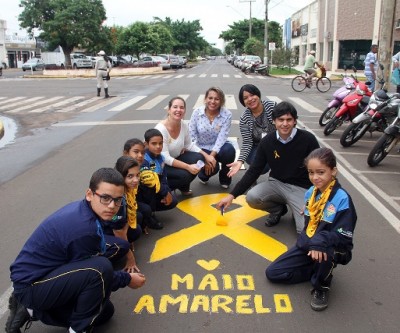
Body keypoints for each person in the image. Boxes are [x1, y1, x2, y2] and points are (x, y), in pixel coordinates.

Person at [6, 168, 145, 333]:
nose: (112, 206)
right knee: (100, 269)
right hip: (32, 285)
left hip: (49, 273)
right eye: (105, 198)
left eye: (117, 200)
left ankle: (31, 310)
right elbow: (96, 273)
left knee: (105, 311)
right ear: (89, 194)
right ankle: (77, 329)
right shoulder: (83, 230)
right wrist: (127, 279)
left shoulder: (85, 210)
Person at [266, 147, 357, 311]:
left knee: (325, 252)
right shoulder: (311, 193)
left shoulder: (342, 198)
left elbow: (344, 236)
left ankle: (322, 285)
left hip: (333, 247)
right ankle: (315, 270)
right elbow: (311, 222)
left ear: (333, 171)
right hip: (310, 243)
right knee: (273, 273)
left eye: (321, 172)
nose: (315, 177)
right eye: (311, 172)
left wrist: (319, 242)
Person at [216, 101, 320, 234]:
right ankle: (278, 210)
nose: (285, 124)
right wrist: (232, 195)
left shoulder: (308, 139)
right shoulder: (267, 142)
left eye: (289, 119)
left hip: (301, 188)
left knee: (306, 231)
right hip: (276, 183)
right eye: (280, 119)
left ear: (295, 121)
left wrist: (318, 197)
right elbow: (254, 170)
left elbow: (322, 169)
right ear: (274, 121)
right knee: (252, 197)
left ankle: (297, 212)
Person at [155, 96, 215, 195]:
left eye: (182, 107)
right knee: (185, 175)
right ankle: (162, 191)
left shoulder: (183, 125)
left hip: (175, 158)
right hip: (160, 165)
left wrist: (206, 156)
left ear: (185, 111)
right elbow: (165, 158)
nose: (178, 110)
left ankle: (183, 187)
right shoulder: (161, 130)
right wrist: (188, 167)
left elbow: (189, 145)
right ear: (169, 110)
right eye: (175, 107)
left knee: (199, 158)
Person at [189, 87, 236, 188]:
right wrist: (205, 156)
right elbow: (192, 136)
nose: (213, 101)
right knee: (212, 169)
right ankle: (203, 175)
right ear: (205, 99)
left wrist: (212, 156)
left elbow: (222, 137)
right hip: (201, 148)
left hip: (219, 147)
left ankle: (225, 178)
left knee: (229, 151)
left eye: (217, 99)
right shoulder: (197, 113)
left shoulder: (227, 114)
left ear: (221, 101)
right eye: (210, 98)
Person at [227, 84, 276, 178]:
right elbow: (247, 142)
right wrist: (240, 161)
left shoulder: (271, 107)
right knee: (259, 164)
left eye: (252, 95)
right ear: (243, 102)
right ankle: (253, 175)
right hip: (257, 146)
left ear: (258, 95)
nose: (250, 99)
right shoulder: (244, 118)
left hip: (276, 142)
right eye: (245, 98)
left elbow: (284, 123)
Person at [140, 128, 178, 228]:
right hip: (144, 192)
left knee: (173, 200)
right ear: (146, 144)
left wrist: (168, 192)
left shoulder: (161, 157)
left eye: (160, 143)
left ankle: (151, 210)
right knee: (150, 188)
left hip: (157, 188)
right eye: (154, 143)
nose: (158, 146)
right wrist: (164, 192)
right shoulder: (144, 160)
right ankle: (149, 216)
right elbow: (150, 182)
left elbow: (163, 178)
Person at [122, 138, 162, 230]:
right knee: (141, 213)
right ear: (126, 153)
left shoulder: (145, 163)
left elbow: (161, 174)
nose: (140, 155)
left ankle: (150, 216)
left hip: (137, 197)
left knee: (151, 182)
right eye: (136, 152)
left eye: (143, 153)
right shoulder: (121, 168)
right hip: (125, 203)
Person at [113, 156, 143, 273]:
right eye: (130, 176)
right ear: (121, 176)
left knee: (137, 221)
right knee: (133, 231)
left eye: (137, 175)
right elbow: (118, 230)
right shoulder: (119, 199)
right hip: (98, 234)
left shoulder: (126, 189)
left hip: (115, 220)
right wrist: (130, 259)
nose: (136, 180)